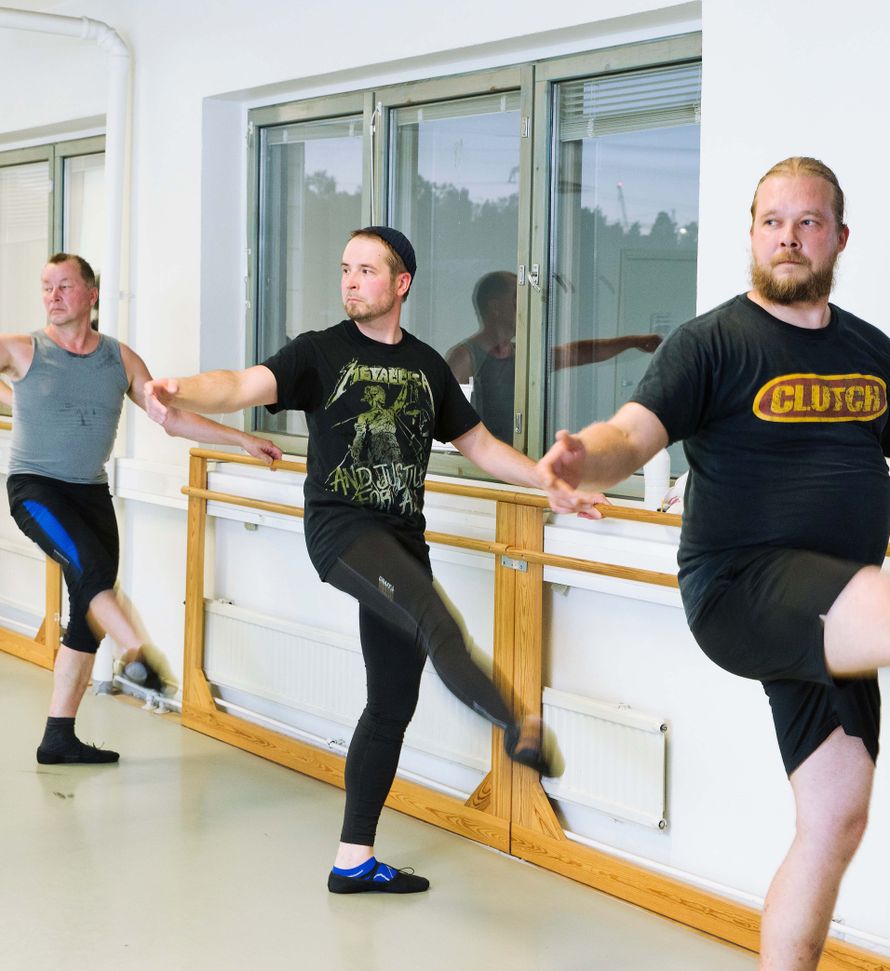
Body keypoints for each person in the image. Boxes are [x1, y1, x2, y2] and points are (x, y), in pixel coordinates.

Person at [143, 227, 572, 895]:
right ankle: (520, 727)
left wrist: (549, 481)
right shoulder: (319, 352)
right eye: (346, 267)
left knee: (392, 702)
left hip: (402, 542)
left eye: (367, 270)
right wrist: (182, 389)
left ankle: (353, 859)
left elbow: (482, 445)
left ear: (401, 283)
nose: (350, 279)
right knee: (437, 622)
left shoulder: (428, 366)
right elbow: (240, 384)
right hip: (342, 532)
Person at [537, 157, 890, 969]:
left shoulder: (872, 353)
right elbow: (630, 434)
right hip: (743, 587)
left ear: (840, 237)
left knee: (836, 817)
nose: (788, 238)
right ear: (752, 234)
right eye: (773, 221)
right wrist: (583, 459)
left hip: (837, 616)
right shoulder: (711, 343)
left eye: (808, 222)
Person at [1, 252, 281, 766]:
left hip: (91, 494)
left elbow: (169, 418)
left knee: (88, 610)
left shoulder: (119, 359)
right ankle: (136, 652)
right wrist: (10, 396)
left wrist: (240, 439)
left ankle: (58, 737)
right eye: (46, 287)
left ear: (92, 294)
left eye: (64, 286)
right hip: (36, 490)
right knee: (92, 574)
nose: (53, 296)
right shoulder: (22, 348)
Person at [447, 270, 662, 442]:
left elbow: (578, 353)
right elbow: (447, 420)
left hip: (514, 463)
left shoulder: (523, 356)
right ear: (495, 307)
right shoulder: (465, 357)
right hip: (481, 471)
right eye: (517, 299)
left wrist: (632, 341)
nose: (525, 306)